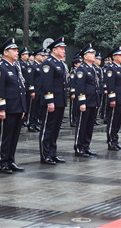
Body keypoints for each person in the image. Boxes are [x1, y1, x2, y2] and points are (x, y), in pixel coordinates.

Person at [0, 38, 26, 174]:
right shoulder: (0, 68)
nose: (17, 52)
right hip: (8, 108)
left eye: (17, 50)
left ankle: (11, 160)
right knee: (5, 137)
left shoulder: (15, 67)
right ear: (5, 52)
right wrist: (1, 108)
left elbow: (20, 88)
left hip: (17, 107)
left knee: (14, 136)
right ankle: (2, 162)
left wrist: (23, 107)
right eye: (14, 50)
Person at [40, 37, 68, 165]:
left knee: (56, 128)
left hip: (60, 100)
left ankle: (53, 153)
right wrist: (49, 101)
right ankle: (45, 154)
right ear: (54, 49)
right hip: (51, 101)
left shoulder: (60, 63)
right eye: (61, 48)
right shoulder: (48, 63)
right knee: (48, 128)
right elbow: (47, 84)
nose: (63, 51)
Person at [74, 43, 101, 157]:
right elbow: (80, 87)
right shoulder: (82, 69)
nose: (93, 55)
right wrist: (82, 102)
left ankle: (86, 146)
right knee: (82, 125)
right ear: (85, 56)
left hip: (93, 101)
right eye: (91, 53)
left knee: (89, 126)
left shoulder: (93, 68)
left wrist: (96, 102)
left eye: (93, 53)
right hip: (85, 102)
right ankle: (79, 147)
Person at [104, 46, 121, 151]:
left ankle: (115, 140)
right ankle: (111, 141)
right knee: (113, 121)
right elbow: (111, 85)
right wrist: (112, 98)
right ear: (113, 57)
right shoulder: (111, 68)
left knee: (118, 121)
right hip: (116, 99)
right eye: (119, 55)